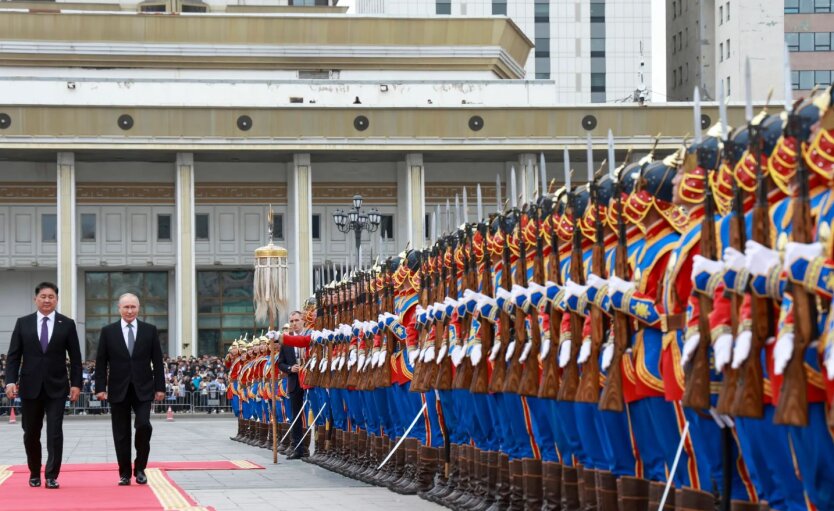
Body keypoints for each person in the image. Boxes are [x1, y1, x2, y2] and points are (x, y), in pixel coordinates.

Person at [5, 282, 82, 489]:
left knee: (55, 431)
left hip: (57, 386)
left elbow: (75, 358)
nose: (47, 300)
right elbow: (13, 357)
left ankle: (51, 475)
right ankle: (33, 471)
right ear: (35, 299)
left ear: (56, 300)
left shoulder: (66, 324)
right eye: (43, 296)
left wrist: (76, 384)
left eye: (51, 297)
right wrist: (10, 381)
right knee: (31, 432)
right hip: (30, 387)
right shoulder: (23, 323)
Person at [94, 293, 165, 486]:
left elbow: (157, 362)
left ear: (139, 308)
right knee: (121, 432)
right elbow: (101, 362)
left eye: (133, 307)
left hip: (143, 388)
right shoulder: (108, 331)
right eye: (126, 307)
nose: (130, 310)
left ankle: (140, 467)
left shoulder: (149, 330)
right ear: (119, 308)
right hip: (118, 389)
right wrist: (100, 387)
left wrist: (160, 387)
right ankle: (124, 472)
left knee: (143, 425)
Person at [277, 311, 308, 460]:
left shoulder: (310, 336)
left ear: (303, 321)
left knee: (310, 415)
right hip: (294, 381)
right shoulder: (286, 341)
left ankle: (310, 446)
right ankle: (297, 447)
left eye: (297, 320)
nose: (294, 323)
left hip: (308, 379)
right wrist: (290, 368)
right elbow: (280, 363)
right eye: (292, 321)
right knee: (295, 415)